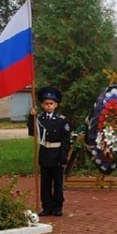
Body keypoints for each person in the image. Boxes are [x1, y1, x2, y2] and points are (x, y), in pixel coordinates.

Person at [35, 86, 72, 217]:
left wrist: (63, 156)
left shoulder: (62, 120)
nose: (49, 106)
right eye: (46, 104)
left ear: (56, 104)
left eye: (51, 104)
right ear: (42, 105)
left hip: (57, 155)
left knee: (57, 181)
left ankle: (57, 206)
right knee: (45, 182)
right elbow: (32, 132)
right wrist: (30, 117)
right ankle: (47, 206)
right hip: (45, 153)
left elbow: (65, 140)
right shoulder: (38, 119)